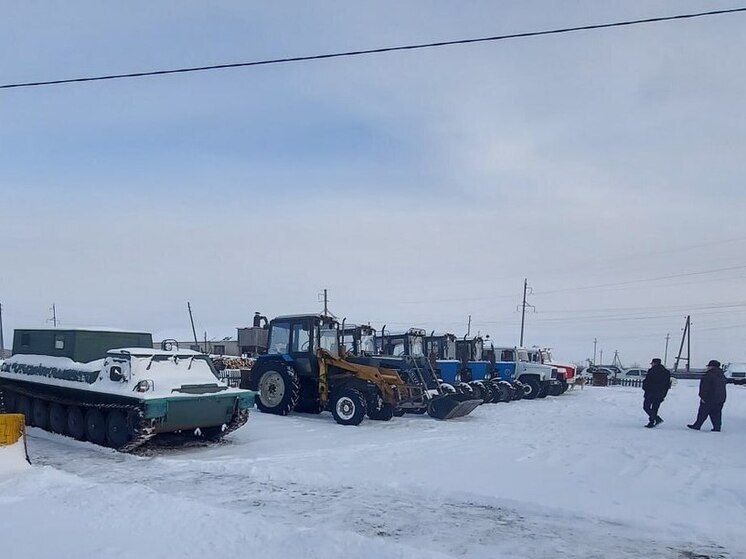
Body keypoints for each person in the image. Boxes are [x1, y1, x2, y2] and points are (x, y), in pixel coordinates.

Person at [688, 360, 727, 432]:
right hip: (721, 398)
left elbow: (704, 387)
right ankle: (717, 427)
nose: (708, 367)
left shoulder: (709, 375)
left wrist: (702, 396)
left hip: (709, 398)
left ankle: (697, 425)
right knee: (717, 413)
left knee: (703, 412)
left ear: (712, 366)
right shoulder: (722, 375)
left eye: (709, 366)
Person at [642, 358, 671, 428]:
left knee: (646, 406)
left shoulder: (652, 371)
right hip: (661, 393)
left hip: (651, 392)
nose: (651, 365)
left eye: (652, 363)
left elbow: (648, 381)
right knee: (655, 408)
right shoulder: (666, 372)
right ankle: (653, 421)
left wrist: (645, 387)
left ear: (655, 363)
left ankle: (655, 420)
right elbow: (668, 384)